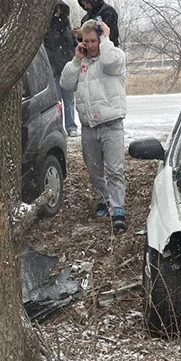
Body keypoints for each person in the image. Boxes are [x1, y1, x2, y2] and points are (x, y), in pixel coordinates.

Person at [60, 19, 128, 231]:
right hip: (89, 126)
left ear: (101, 39)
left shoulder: (114, 55)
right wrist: (75, 61)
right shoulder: (81, 64)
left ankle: (118, 209)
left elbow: (109, 62)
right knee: (94, 170)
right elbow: (65, 84)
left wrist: (106, 38)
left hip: (111, 123)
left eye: (92, 40)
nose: (89, 45)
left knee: (115, 169)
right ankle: (102, 201)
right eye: (84, 40)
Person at [43, 0, 78, 137]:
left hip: (67, 68)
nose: (58, 11)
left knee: (69, 99)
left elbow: (73, 44)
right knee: (57, 101)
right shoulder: (47, 28)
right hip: (54, 69)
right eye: (56, 9)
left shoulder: (66, 27)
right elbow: (46, 48)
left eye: (60, 9)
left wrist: (73, 54)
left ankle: (71, 126)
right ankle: (58, 127)